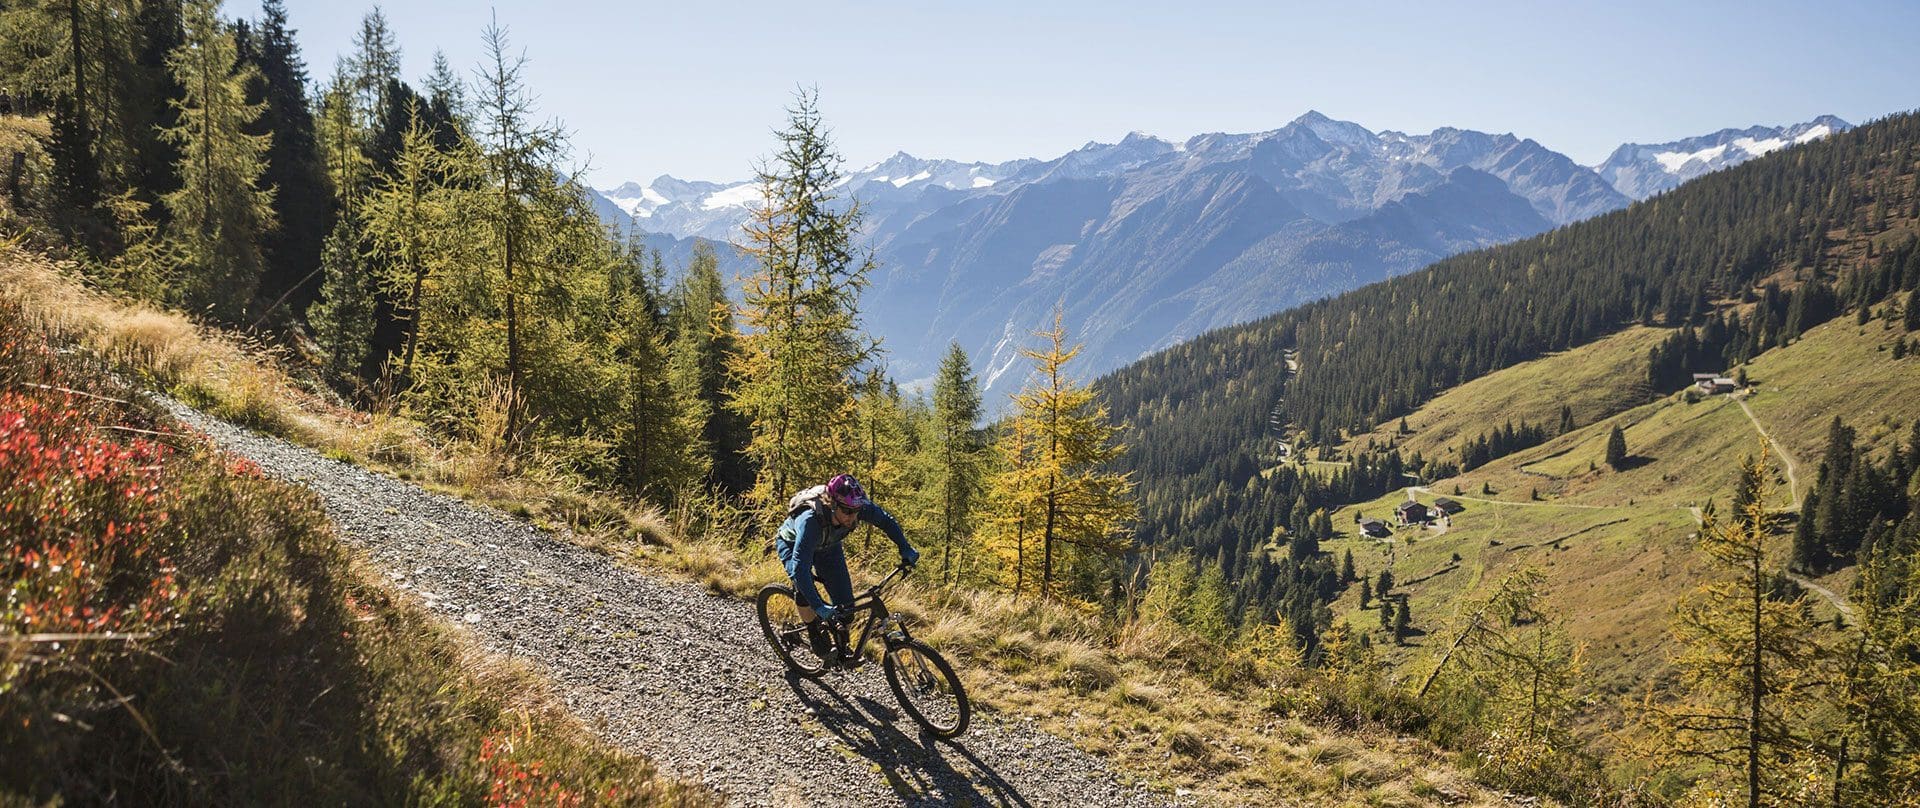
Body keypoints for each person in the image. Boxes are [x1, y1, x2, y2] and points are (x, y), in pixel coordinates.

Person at [775, 474, 918, 656]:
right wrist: (818, 606)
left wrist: (905, 548)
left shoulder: (854, 506)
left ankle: (840, 648)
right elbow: (799, 569)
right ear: (833, 505)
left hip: (828, 547)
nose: (853, 516)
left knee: (847, 608)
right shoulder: (810, 521)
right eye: (848, 511)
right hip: (793, 543)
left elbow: (885, 520)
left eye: (857, 510)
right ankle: (812, 630)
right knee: (804, 588)